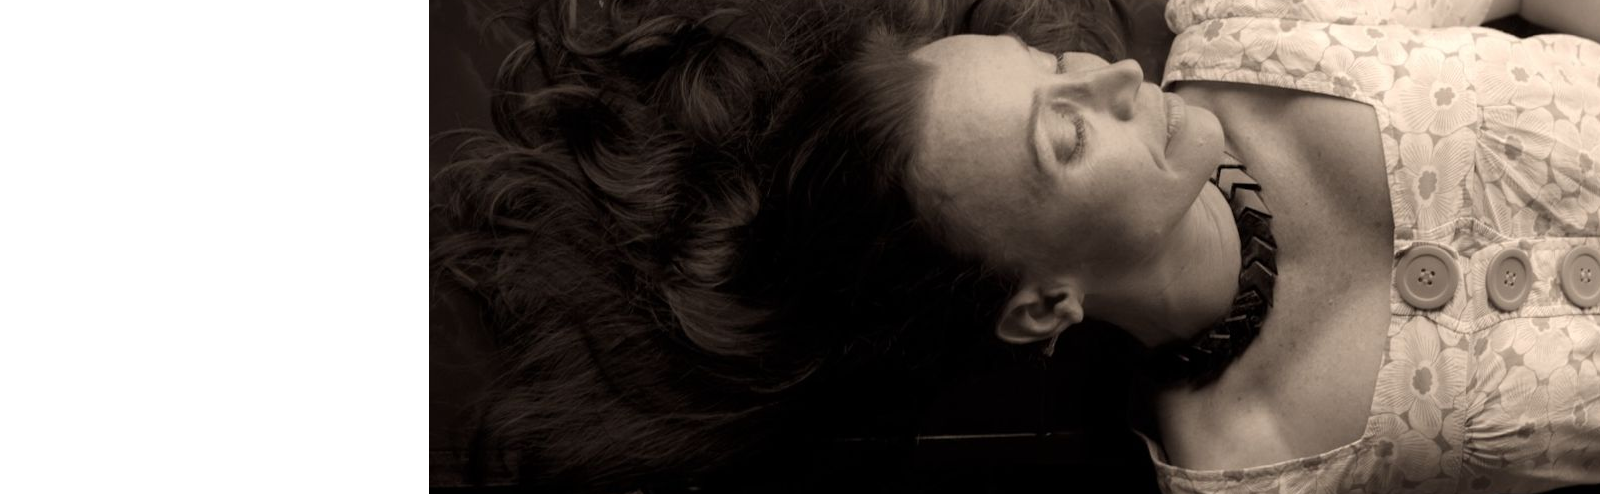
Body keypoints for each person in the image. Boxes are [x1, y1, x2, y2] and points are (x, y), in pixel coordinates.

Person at [428, 0, 1598, 491]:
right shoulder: (1257, 473)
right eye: (1066, 136)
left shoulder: (1260, 22)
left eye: (1056, 66)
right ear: (1041, 304)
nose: (1120, 77)